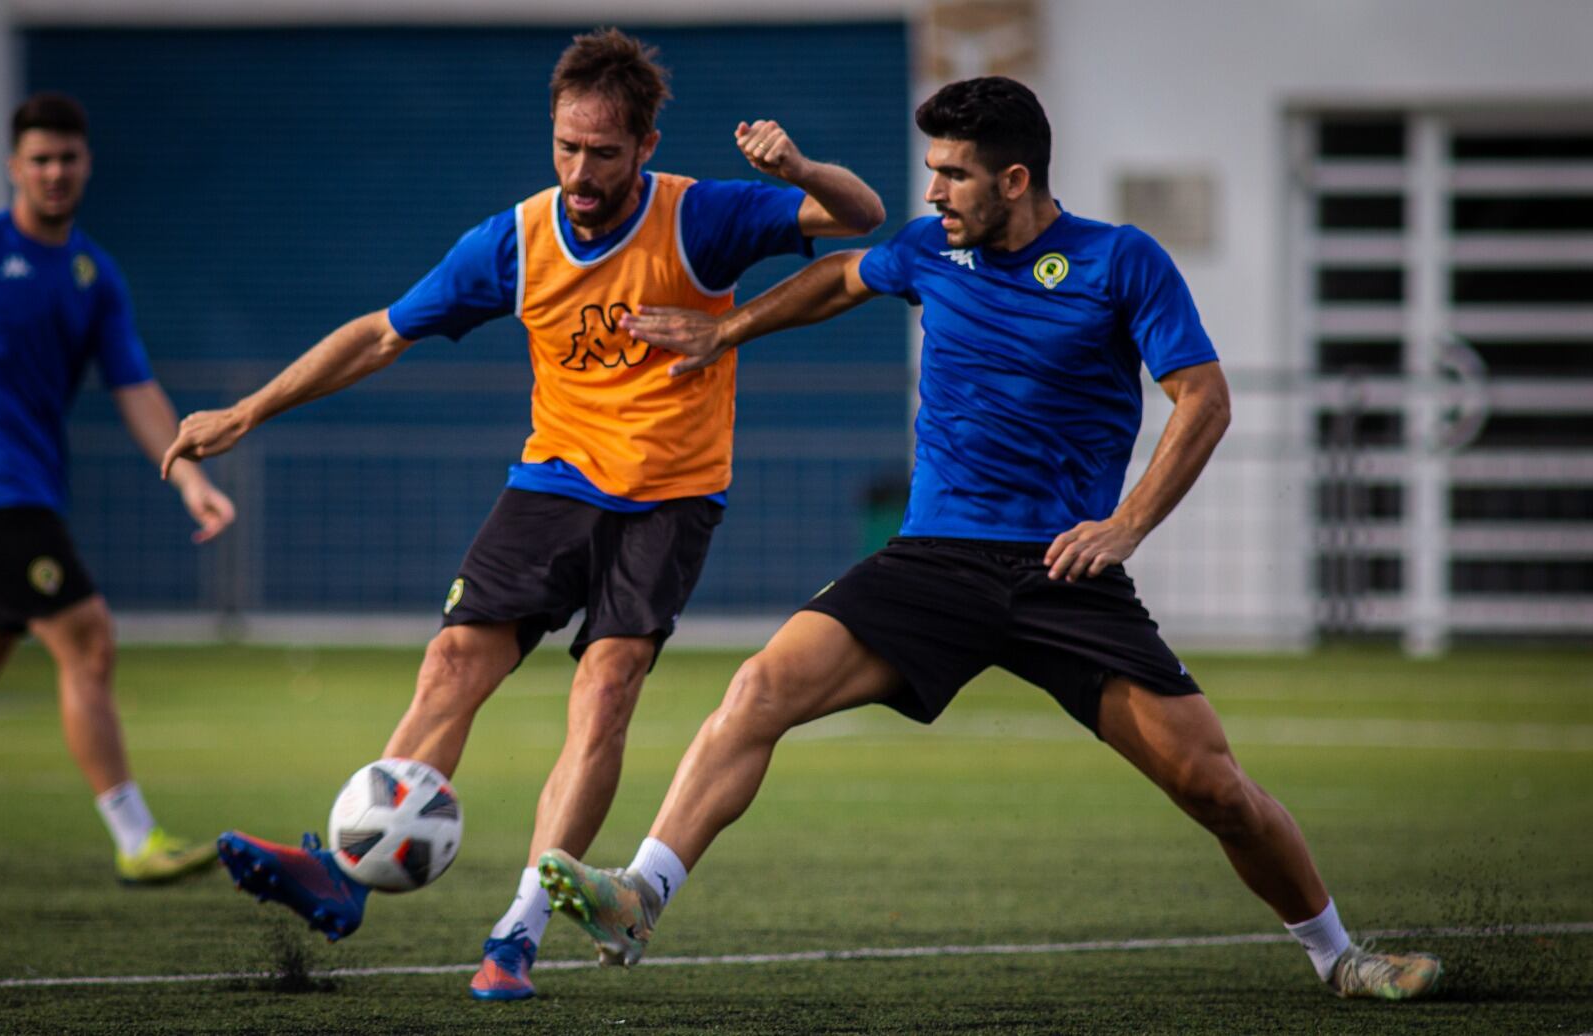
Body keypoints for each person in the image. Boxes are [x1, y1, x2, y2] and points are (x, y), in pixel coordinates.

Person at [536, 76, 1442, 1002]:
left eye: (954, 175)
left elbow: (1204, 399)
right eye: (932, 170)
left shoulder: (1119, 260)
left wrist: (1127, 524)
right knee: (760, 688)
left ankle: (1339, 956)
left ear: (1015, 180)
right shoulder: (931, 247)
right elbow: (842, 277)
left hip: (1064, 574)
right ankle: (643, 894)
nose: (933, 192)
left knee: (1214, 788)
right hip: (935, 559)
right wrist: (725, 330)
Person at [160, 27, 884, 1001]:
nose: (580, 172)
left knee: (607, 687)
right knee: (451, 664)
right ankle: (345, 874)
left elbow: (860, 214)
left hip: (668, 499)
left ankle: (517, 934)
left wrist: (796, 168)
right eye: (566, 147)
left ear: (646, 146)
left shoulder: (701, 217)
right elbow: (380, 335)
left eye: (603, 153)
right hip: (552, 484)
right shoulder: (513, 240)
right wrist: (247, 411)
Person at [0, 93, 236, 884]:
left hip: (31, 486)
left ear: (86, 164)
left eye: (66, 158)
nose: (54, 172)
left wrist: (189, 478)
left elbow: (135, 388)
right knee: (88, 638)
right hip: (5, 492)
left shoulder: (94, 275)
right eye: (39, 159)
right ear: (14, 167)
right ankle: (136, 837)